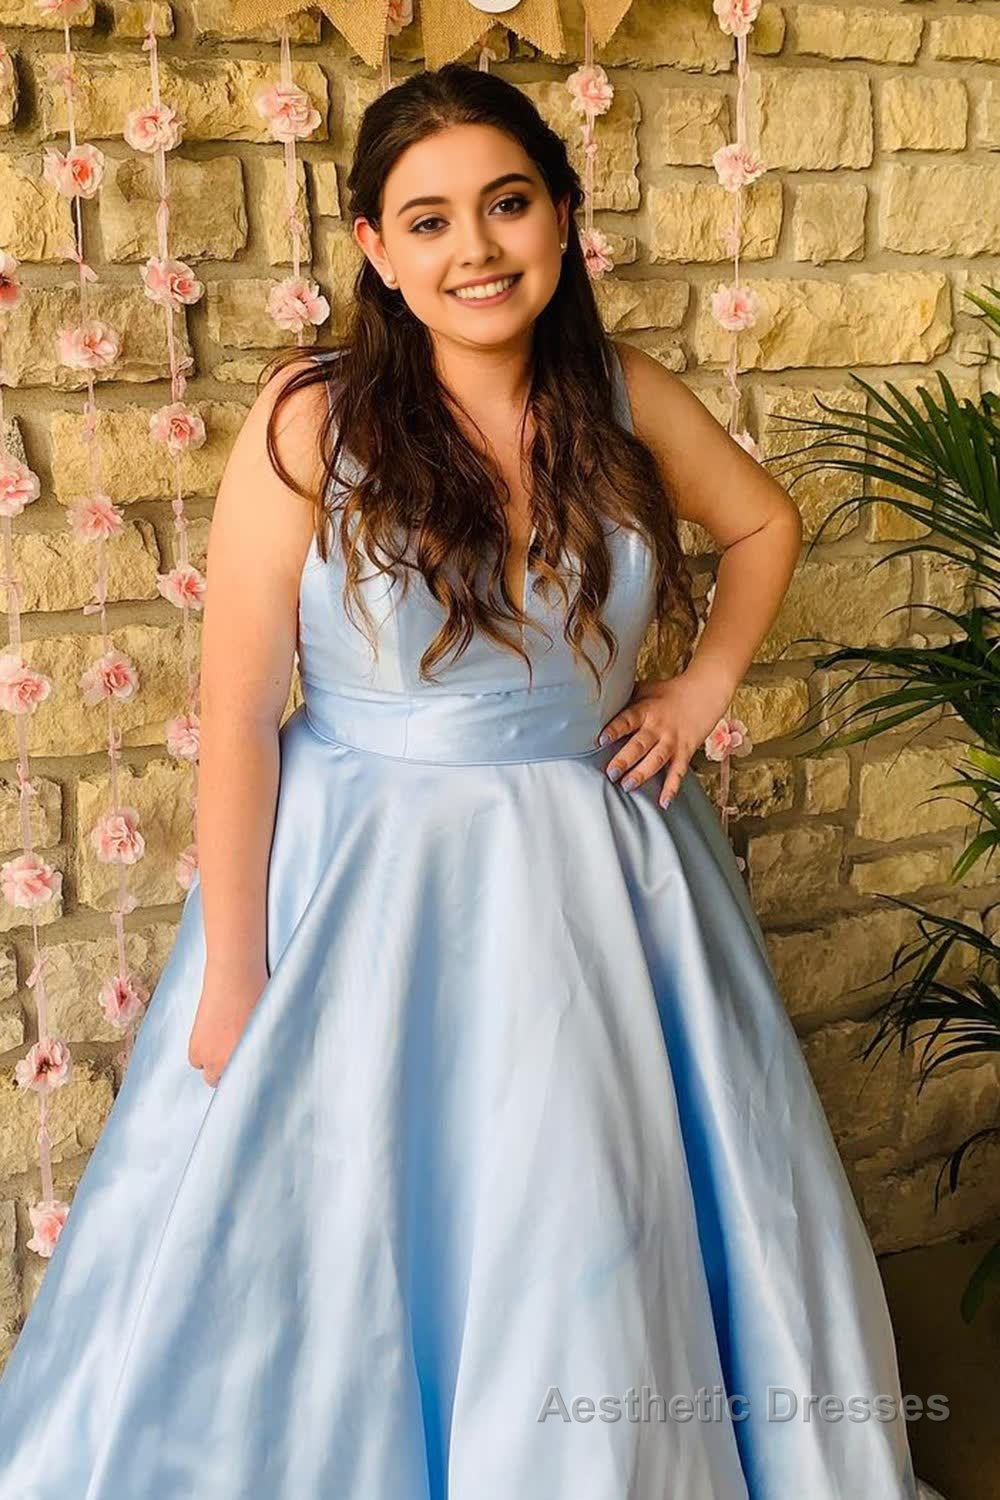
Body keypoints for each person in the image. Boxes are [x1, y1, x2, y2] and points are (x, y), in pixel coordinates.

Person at [0, 62, 921, 1499]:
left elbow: (764, 522)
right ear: (376, 249)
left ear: (562, 215)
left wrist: (701, 686)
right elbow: (237, 714)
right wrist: (236, 972)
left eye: (507, 204)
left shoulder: (621, 395)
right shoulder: (313, 420)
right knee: (355, 1219)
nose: (475, 250)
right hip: (369, 881)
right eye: (428, 221)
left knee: (588, 1201)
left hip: (605, 879)